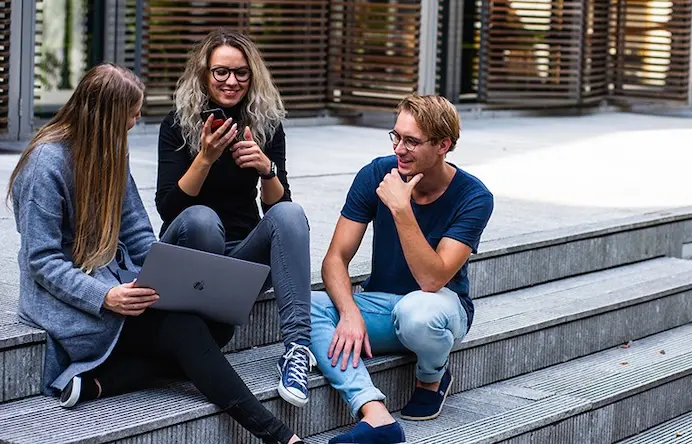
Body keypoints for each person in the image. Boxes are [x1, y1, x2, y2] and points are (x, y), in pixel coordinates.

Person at [8, 64, 303, 444]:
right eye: (131, 114)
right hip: (73, 302)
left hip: (120, 285)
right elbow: (43, 260)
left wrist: (165, 277)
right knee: (188, 331)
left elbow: (138, 233)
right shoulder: (45, 164)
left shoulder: (111, 151)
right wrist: (106, 296)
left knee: (218, 327)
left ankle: (104, 381)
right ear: (106, 115)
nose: (135, 122)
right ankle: (278, 435)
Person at [309, 94, 494, 443]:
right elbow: (335, 258)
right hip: (381, 305)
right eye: (396, 136)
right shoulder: (376, 173)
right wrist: (349, 312)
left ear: (443, 145)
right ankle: (374, 414)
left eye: (411, 141)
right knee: (306, 306)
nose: (399, 149)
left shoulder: (474, 197)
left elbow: (432, 278)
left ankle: (432, 375)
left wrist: (401, 209)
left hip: (439, 307)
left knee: (417, 311)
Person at [155, 29, 314, 408]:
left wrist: (267, 169)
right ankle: (198, 334)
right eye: (221, 72)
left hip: (240, 261)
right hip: (190, 253)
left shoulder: (266, 124)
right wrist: (205, 158)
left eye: (241, 73)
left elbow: (279, 209)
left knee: (290, 214)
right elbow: (169, 208)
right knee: (202, 220)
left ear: (253, 75)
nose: (231, 81)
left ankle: (297, 351)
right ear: (204, 74)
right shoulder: (177, 124)